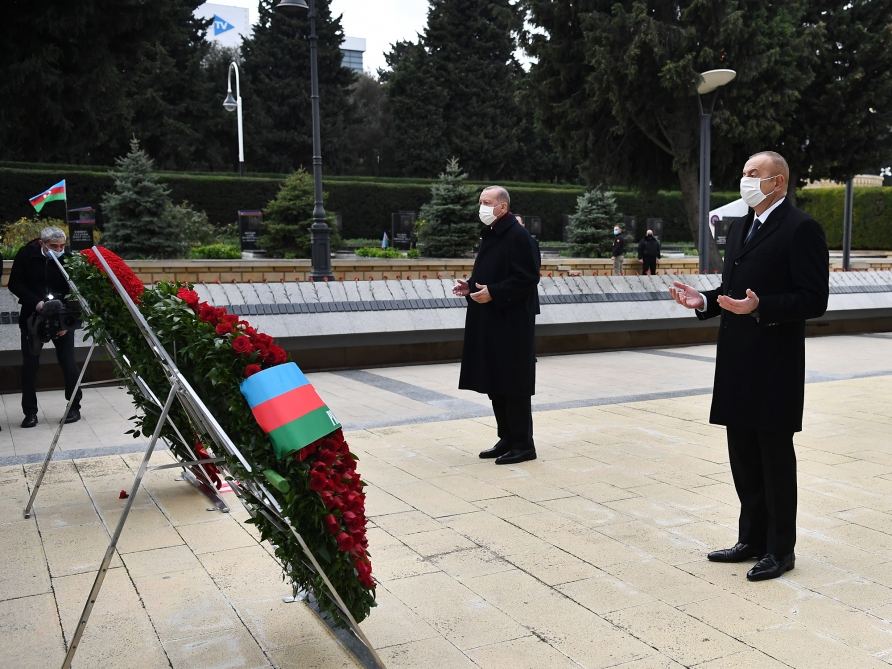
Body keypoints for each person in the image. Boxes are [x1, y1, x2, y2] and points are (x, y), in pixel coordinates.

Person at [669, 150, 828, 581]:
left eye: (754, 174)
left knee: (774, 458)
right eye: (743, 173)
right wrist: (703, 300)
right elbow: (733, 288)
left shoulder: (802, 229)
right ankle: (751, 539)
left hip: (774, 364)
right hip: (737, 361)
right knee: (742, 456)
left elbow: (814, 299)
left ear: (778, 182)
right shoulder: (741, 226)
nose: (746, 180)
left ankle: (780, 550)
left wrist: (762, 307)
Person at [453, 186, 540, 465]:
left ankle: (523, 444)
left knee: (513, 382)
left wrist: (494, 292)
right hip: (490, 320)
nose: (482, 207)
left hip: (511, 323)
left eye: (487, 202)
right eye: (480, 202)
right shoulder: (493, 234)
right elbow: (491, 271)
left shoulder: (518, 236)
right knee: (495, 381)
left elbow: (527, 279)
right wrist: (470, 287)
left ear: (502, 207)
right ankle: (507, 438)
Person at [8, 227, 83, 428]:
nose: (58, 250)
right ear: (42, 243)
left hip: (62, 314)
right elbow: (15, 284)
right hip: (34, 315)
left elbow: (76, 290)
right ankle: (30, 412)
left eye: (61, 246)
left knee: (68, 362)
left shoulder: (68, 258)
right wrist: (36, 302)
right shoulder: (27, 255)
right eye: (53, 246)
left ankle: (74, 406)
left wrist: (67, 322)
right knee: (30, 365)